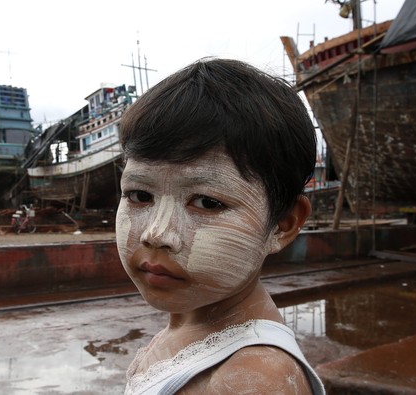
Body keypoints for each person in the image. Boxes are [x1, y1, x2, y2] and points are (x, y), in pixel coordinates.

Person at [115, 58, 326, 394]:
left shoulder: (250, 379)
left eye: (207, 203)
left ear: (283, 224)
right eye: (140, 195)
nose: (155, 233)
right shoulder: (186, 331)